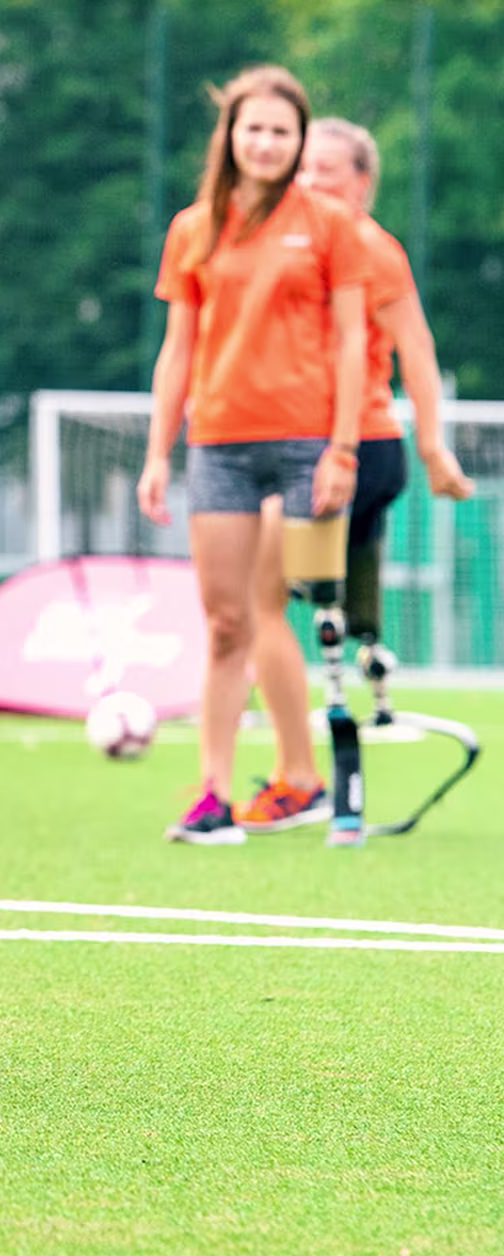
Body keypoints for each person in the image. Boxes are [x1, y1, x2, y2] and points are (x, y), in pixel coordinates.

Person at [137, 66, 369, 845]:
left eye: (281, 131)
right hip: (220, 449)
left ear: (299, 141)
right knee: (228, 621)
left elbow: (352, 341)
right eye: (254, 128)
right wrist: (157, 454)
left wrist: (343, 449)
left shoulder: (329, 224)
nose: (266, 143)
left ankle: (306, 777)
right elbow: (179, 350)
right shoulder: (193, 229)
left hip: (309, 450)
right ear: (230, 136)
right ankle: (213, 795)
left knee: (300, 613)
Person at [235, 118, 474, 831]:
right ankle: (299, 765)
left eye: (327, 171)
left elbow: (417, 349)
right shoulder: (288, 242)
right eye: (303, 168)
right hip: (306, 446)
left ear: (363, 183)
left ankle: (300, 780)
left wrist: (435, 447)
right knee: (276, 604)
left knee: (259, 601)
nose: (309, 181)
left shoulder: (367, 245)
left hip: (357, 448)